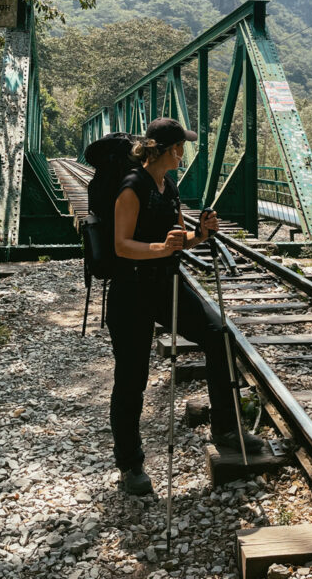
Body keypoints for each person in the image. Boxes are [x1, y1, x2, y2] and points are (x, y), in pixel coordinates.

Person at [107, 117, 265, 495]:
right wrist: (163, 248)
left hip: (166, 284)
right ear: (168, 149)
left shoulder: (169, 186)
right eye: (181, 146)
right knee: (132, 379)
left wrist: (201, 234)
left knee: (218, 335)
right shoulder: (132, 187)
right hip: (131, 291)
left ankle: (226, 428)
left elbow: (180, 239)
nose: (184, 152)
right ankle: (130, 465)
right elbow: (121, 245)